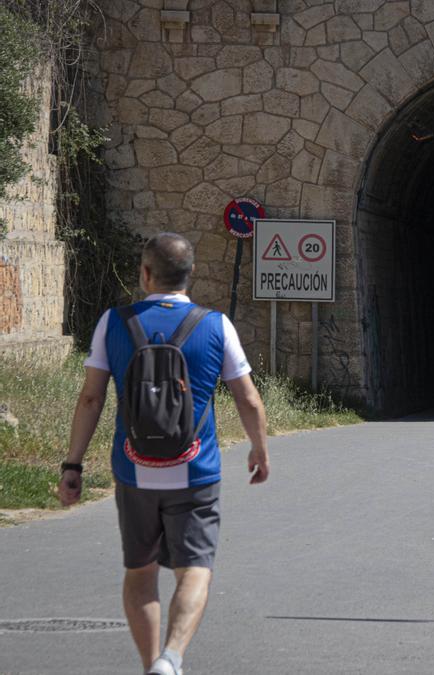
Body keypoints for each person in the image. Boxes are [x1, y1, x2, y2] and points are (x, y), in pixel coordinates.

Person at [57, 232, 271, 675]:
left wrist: (73, 464)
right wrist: (258, 450)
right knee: (194, 569)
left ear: (145, 273)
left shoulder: (113, 323)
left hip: (134, 472)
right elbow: (248, 399)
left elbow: (91, 399)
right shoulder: (215, 325)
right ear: (190, 275)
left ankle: (149, 664)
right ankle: (171, 658)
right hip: (195, 471)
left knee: (140, 573)